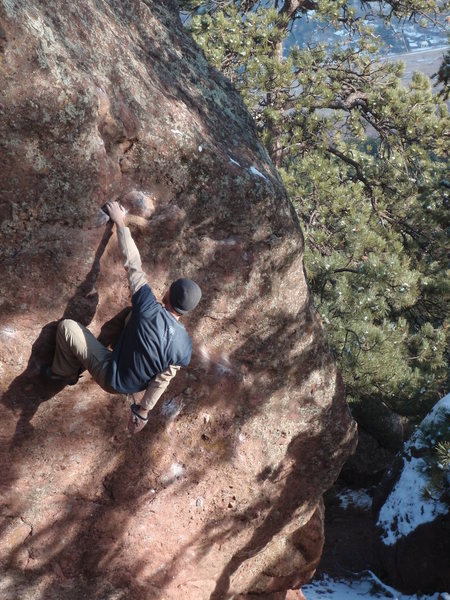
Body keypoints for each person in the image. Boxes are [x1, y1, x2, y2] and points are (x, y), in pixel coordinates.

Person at [41, 201, 201, 434]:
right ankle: (108, 351)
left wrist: (120, 222)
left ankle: (64, 373)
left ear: (168, 293)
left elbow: (133, 265)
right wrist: (142, 412)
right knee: (130, 315)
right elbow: (161, 381)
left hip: (111, 375)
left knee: (67, 327)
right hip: (132, 387)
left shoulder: (147, 307)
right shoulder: (184, 345)